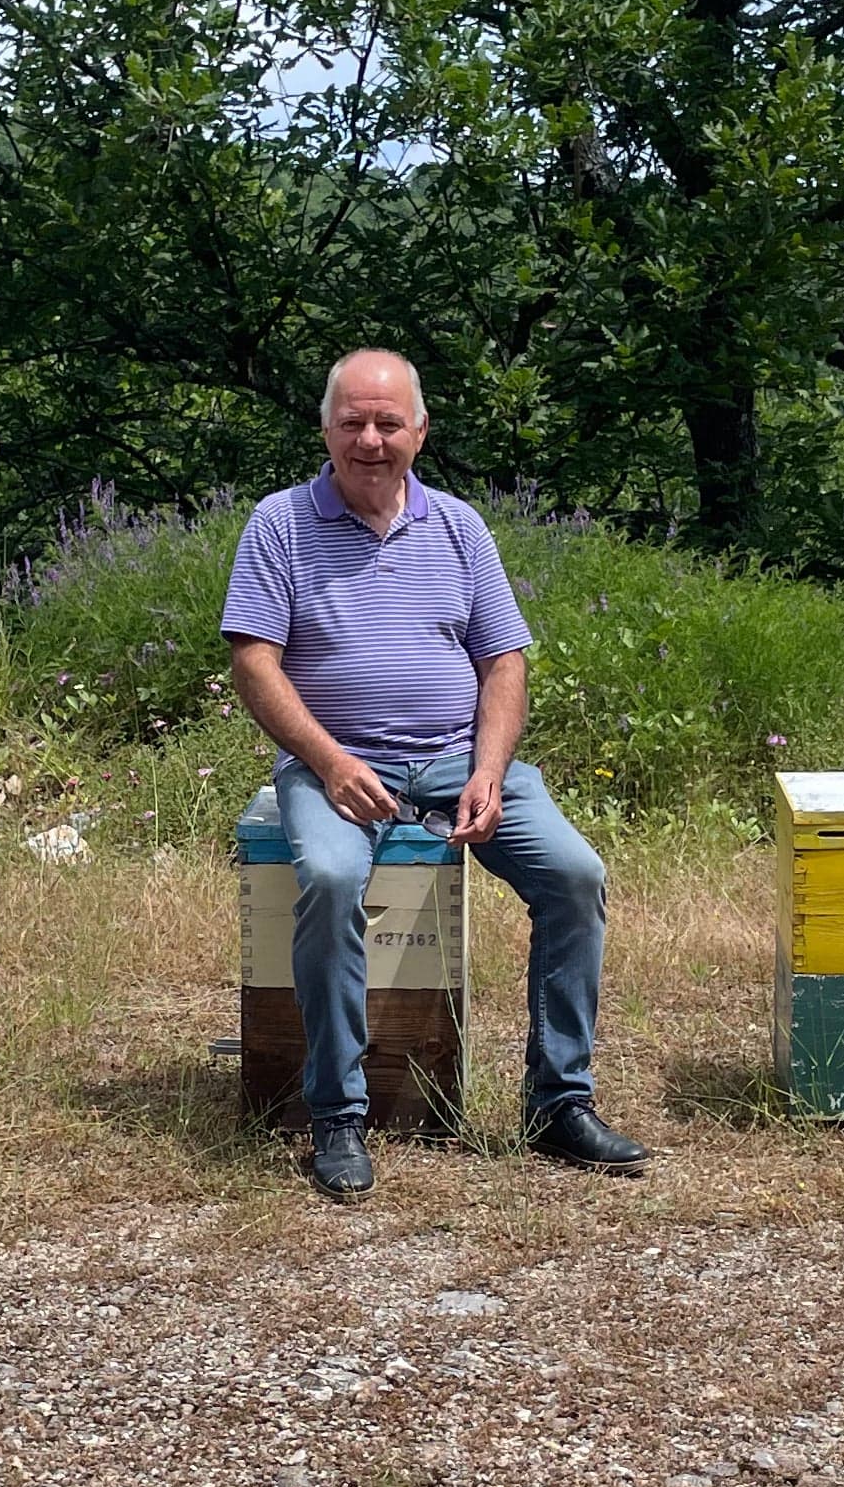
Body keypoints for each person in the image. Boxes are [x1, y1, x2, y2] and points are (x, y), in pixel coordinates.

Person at [220, 349, 648, 1200]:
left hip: (460, 760)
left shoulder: (459, 526)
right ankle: (338, 1113)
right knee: (334, 880)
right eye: (353, 423)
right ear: (326, 428)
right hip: (338, 767)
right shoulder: (279, 523)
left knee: (575, 875)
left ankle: (559, 1103)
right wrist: (330, 763)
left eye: (388, 424)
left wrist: (490, 771)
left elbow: (505, 661)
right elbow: (254, 663)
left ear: (420, 431)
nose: (370, 440)